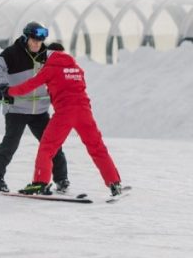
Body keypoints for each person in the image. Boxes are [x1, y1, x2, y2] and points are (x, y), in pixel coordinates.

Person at [9, 41, 123, 197]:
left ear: (48, 54)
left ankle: (40, 183)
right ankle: (114, 183)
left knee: (47, 147)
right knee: (97, 147)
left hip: (64, 113)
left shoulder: (49, 68)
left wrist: (9, 92)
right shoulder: (77, 68)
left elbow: (30, 85)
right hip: (84, 112)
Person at [0, 22, 69, 193]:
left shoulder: (47, 54)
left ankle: (61, 179)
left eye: (40, 41)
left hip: (40, 111)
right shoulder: (12, 53)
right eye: (34, 40)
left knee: (51, 144)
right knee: (10, 144)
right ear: (26, 37)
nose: (37, 44)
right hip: (17, 109)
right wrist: (2, 86)